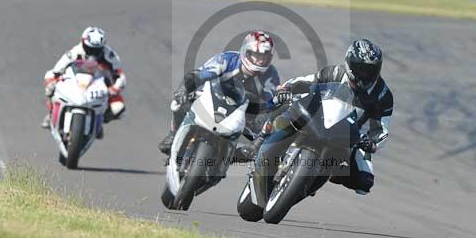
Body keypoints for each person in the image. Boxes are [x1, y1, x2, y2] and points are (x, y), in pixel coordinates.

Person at [253, 38, 393, 195]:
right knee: (283, 102)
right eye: (361, 69)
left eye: (371, 70)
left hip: (350, 135)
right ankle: (261, 138)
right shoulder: (336, 72)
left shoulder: (382, 95)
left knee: (364, 181)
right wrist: (287, 88)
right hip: (316, 116)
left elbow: (381, 129)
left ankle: (322, 174)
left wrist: (372, 144)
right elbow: (307, 81)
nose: (366, 75)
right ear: (350, 64)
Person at [157, 30, 280, 157]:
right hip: (212, 97)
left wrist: (266, 110)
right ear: (246, 52)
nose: (260, 61)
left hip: (244, 111)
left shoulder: (270, 74)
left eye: (264, 57)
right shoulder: (227, 59)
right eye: (257, 55)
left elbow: (271, 99)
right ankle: (174, 134)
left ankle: (241, 159)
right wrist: (183, 89)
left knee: (267, 130)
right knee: (178, 103)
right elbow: (198, 75)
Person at [41, 26, 127, 136]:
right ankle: (52, 114)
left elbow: (120, 76)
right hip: (76, 83)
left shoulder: (110, 55)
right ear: (83, 43)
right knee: (51, 90)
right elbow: (57, 69)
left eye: (96, 50)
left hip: (99, 86)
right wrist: (52, 82)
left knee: (118, 109)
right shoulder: (74, 53)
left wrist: (114, 88)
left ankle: (98, 122)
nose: (92, 53)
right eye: (90, 49)